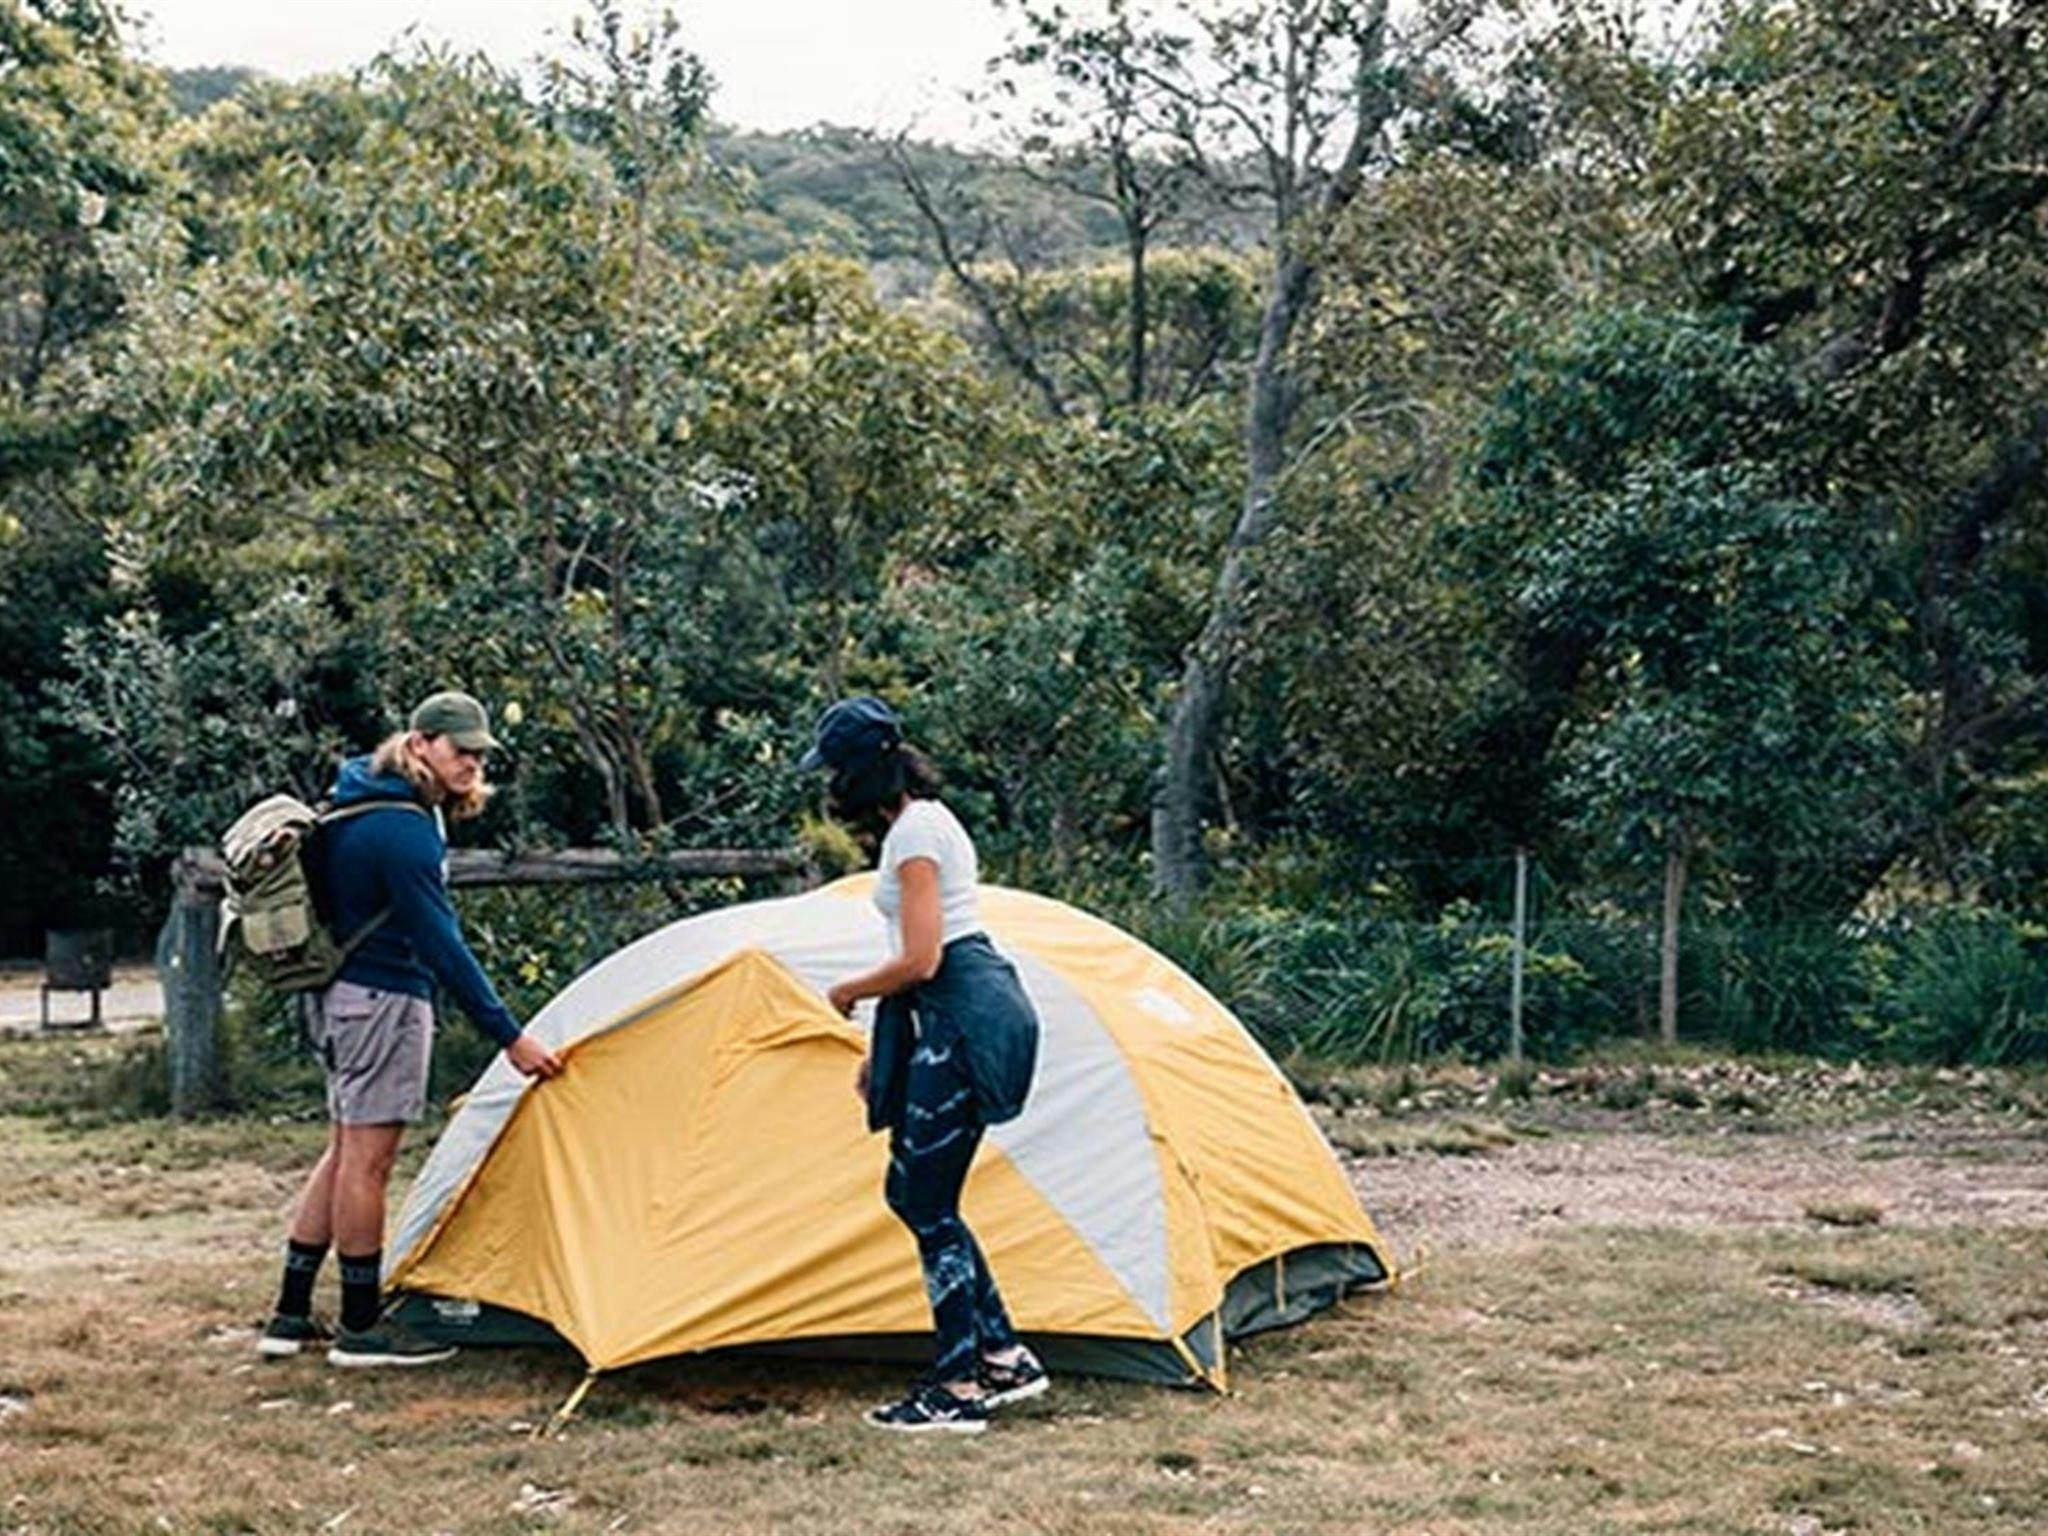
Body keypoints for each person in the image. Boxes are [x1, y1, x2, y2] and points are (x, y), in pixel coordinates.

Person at [258, 690, 563, 1368]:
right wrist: (509, 1036)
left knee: (343, 1153)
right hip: (384, 1000)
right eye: (461, 751)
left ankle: (290, 1312)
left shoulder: (352, 800)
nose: (472, 765)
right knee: (369, 1163)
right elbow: (441, 943)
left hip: (338, 996)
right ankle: (364, 1329)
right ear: (421, 742)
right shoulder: (402, 828)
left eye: (480, 755)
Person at [801, 696, 1046, 1434]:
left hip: (965, 1015)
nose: (831, 788)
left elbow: (920, 958)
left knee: (924, 1198)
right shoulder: (918, 827)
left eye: (837, 772)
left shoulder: (916, 837)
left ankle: (959, 1385)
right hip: (949, 1015)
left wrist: (847, 991)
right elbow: (920, 971)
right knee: (919, 1193)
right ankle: (1001, 1357)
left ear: (866, 770)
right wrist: (884, 1053)